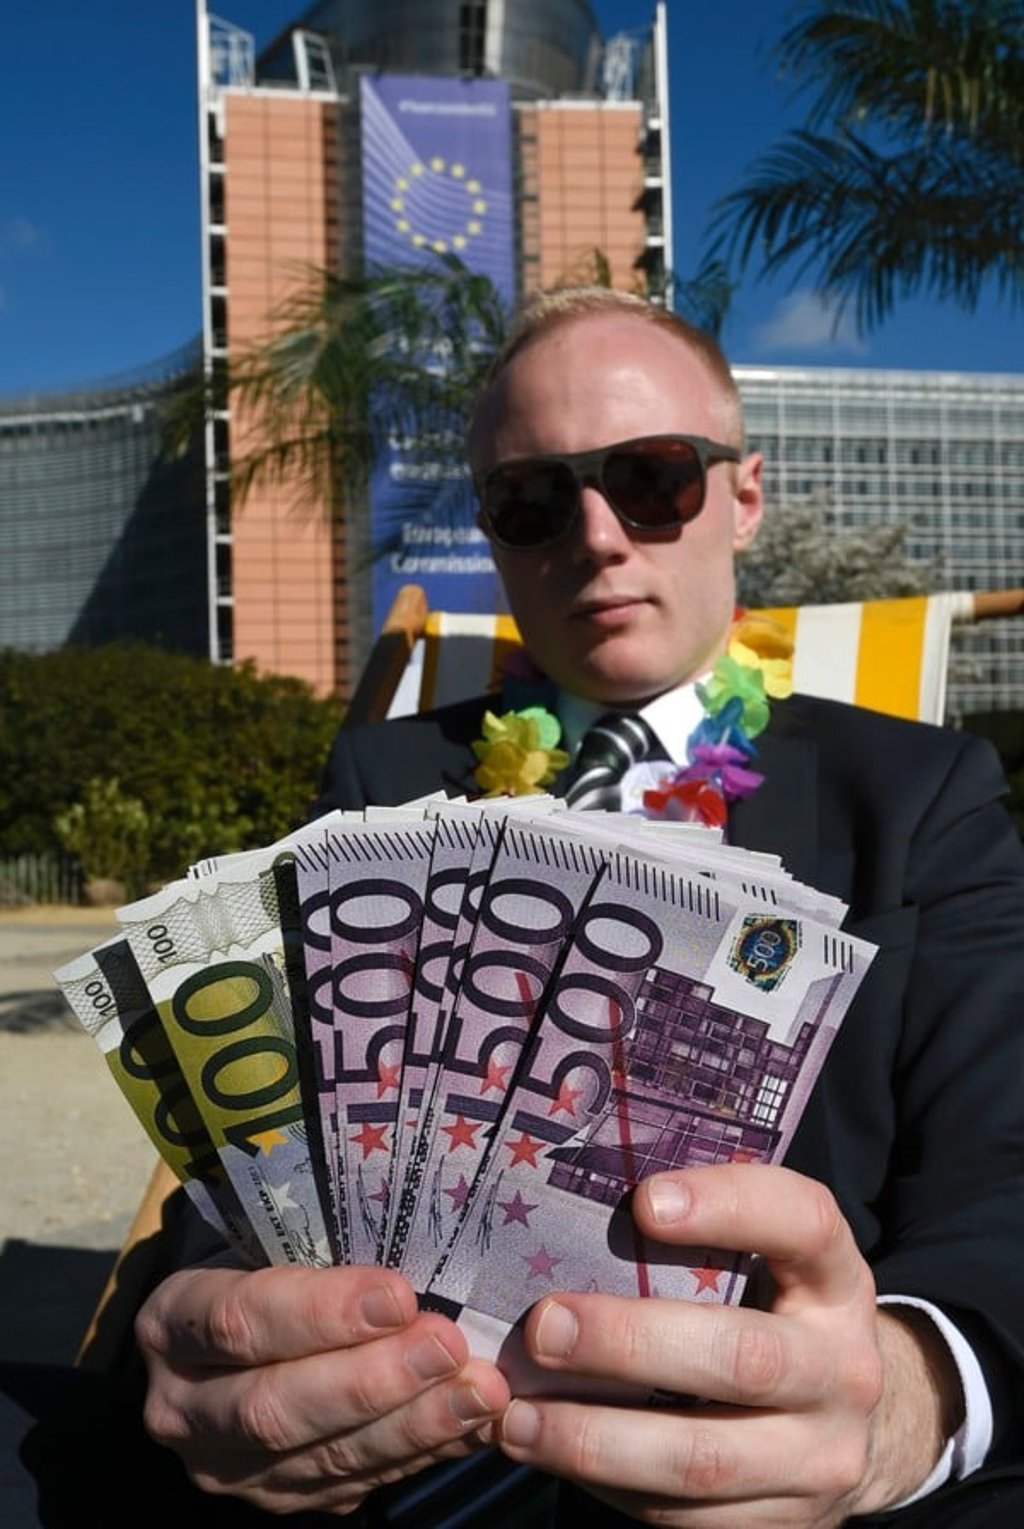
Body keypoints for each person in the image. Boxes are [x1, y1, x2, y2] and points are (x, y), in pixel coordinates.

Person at [131, 287, 1024, 1526]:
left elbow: (1007, 1164)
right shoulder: (389, 782)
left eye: (652, 476)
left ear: (742, 497)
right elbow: (261, 1142)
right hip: (415, 1438)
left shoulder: (918, 794)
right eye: (532, 498)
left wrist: (900, 1404)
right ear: (496, 536)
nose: (596, 535)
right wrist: (224, 1321)